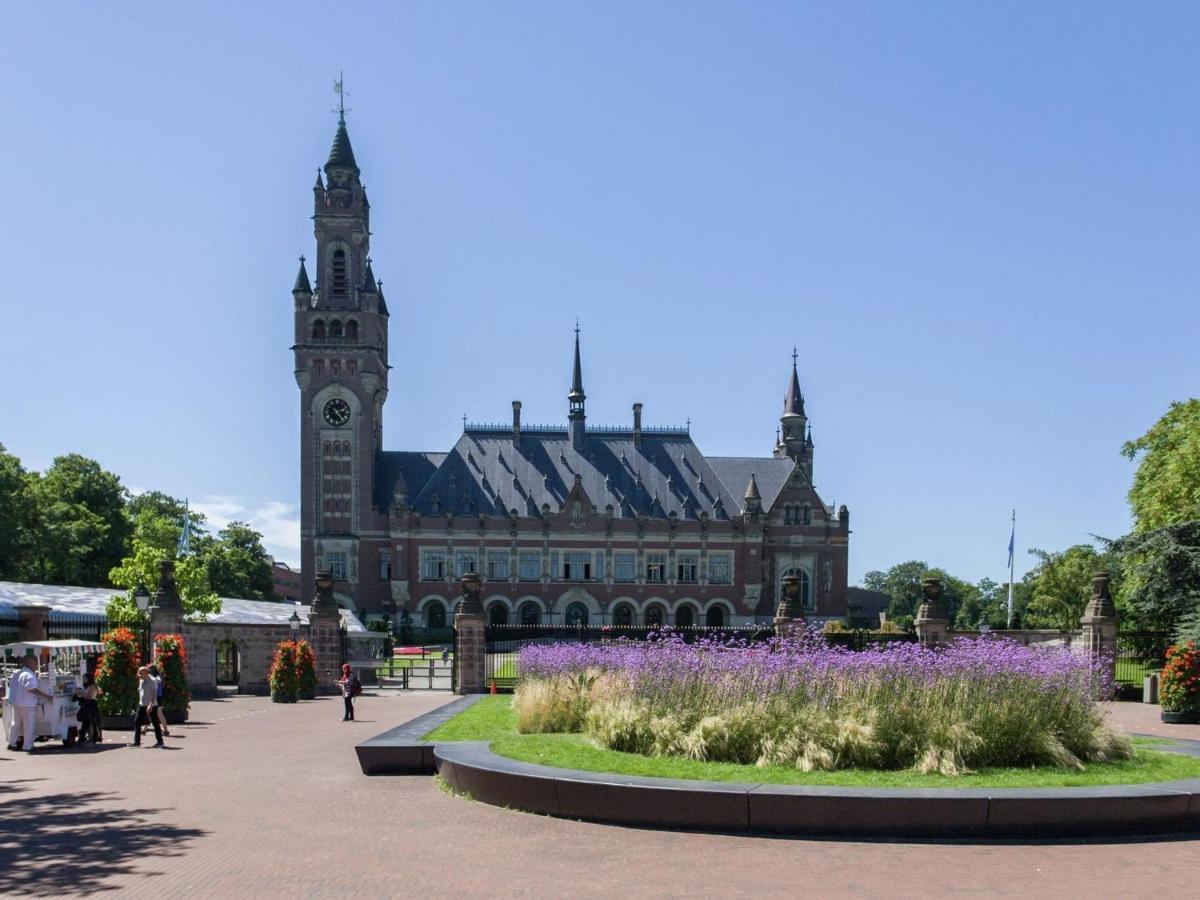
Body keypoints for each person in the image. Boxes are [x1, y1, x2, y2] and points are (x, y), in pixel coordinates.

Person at [7, 653, 52, 753]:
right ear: (30, 662)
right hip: (27, 704)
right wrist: (47, 696)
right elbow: (31, 689)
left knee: (16, 724)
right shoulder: (29, 675)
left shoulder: (18, 673)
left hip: (16, 702)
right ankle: (27, 746)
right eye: (36, 660)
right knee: (29, 725)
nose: (37, 663)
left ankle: (12, 743)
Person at [133, 666, 164, 747]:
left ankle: (160, 741)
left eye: (140, 673)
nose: (138, 674)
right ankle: (137, 742)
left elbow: (154, 694)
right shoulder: (141, 680)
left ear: (146, 673)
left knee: (155, 723)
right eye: (138, 672)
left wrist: (151, 704)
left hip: (152, 705)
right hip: (142, 704)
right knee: (137, 722)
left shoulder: (152, 681)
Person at [76, 673, 103, 746]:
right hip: (87, 706)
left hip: (91, 705)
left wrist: (80, 693)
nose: (84, 680)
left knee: (91, 723)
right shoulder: (88, 686)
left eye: (85, 678)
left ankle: (91, 740)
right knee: (86, 723)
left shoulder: (92, 686)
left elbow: (89, 696)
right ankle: (85, 739)